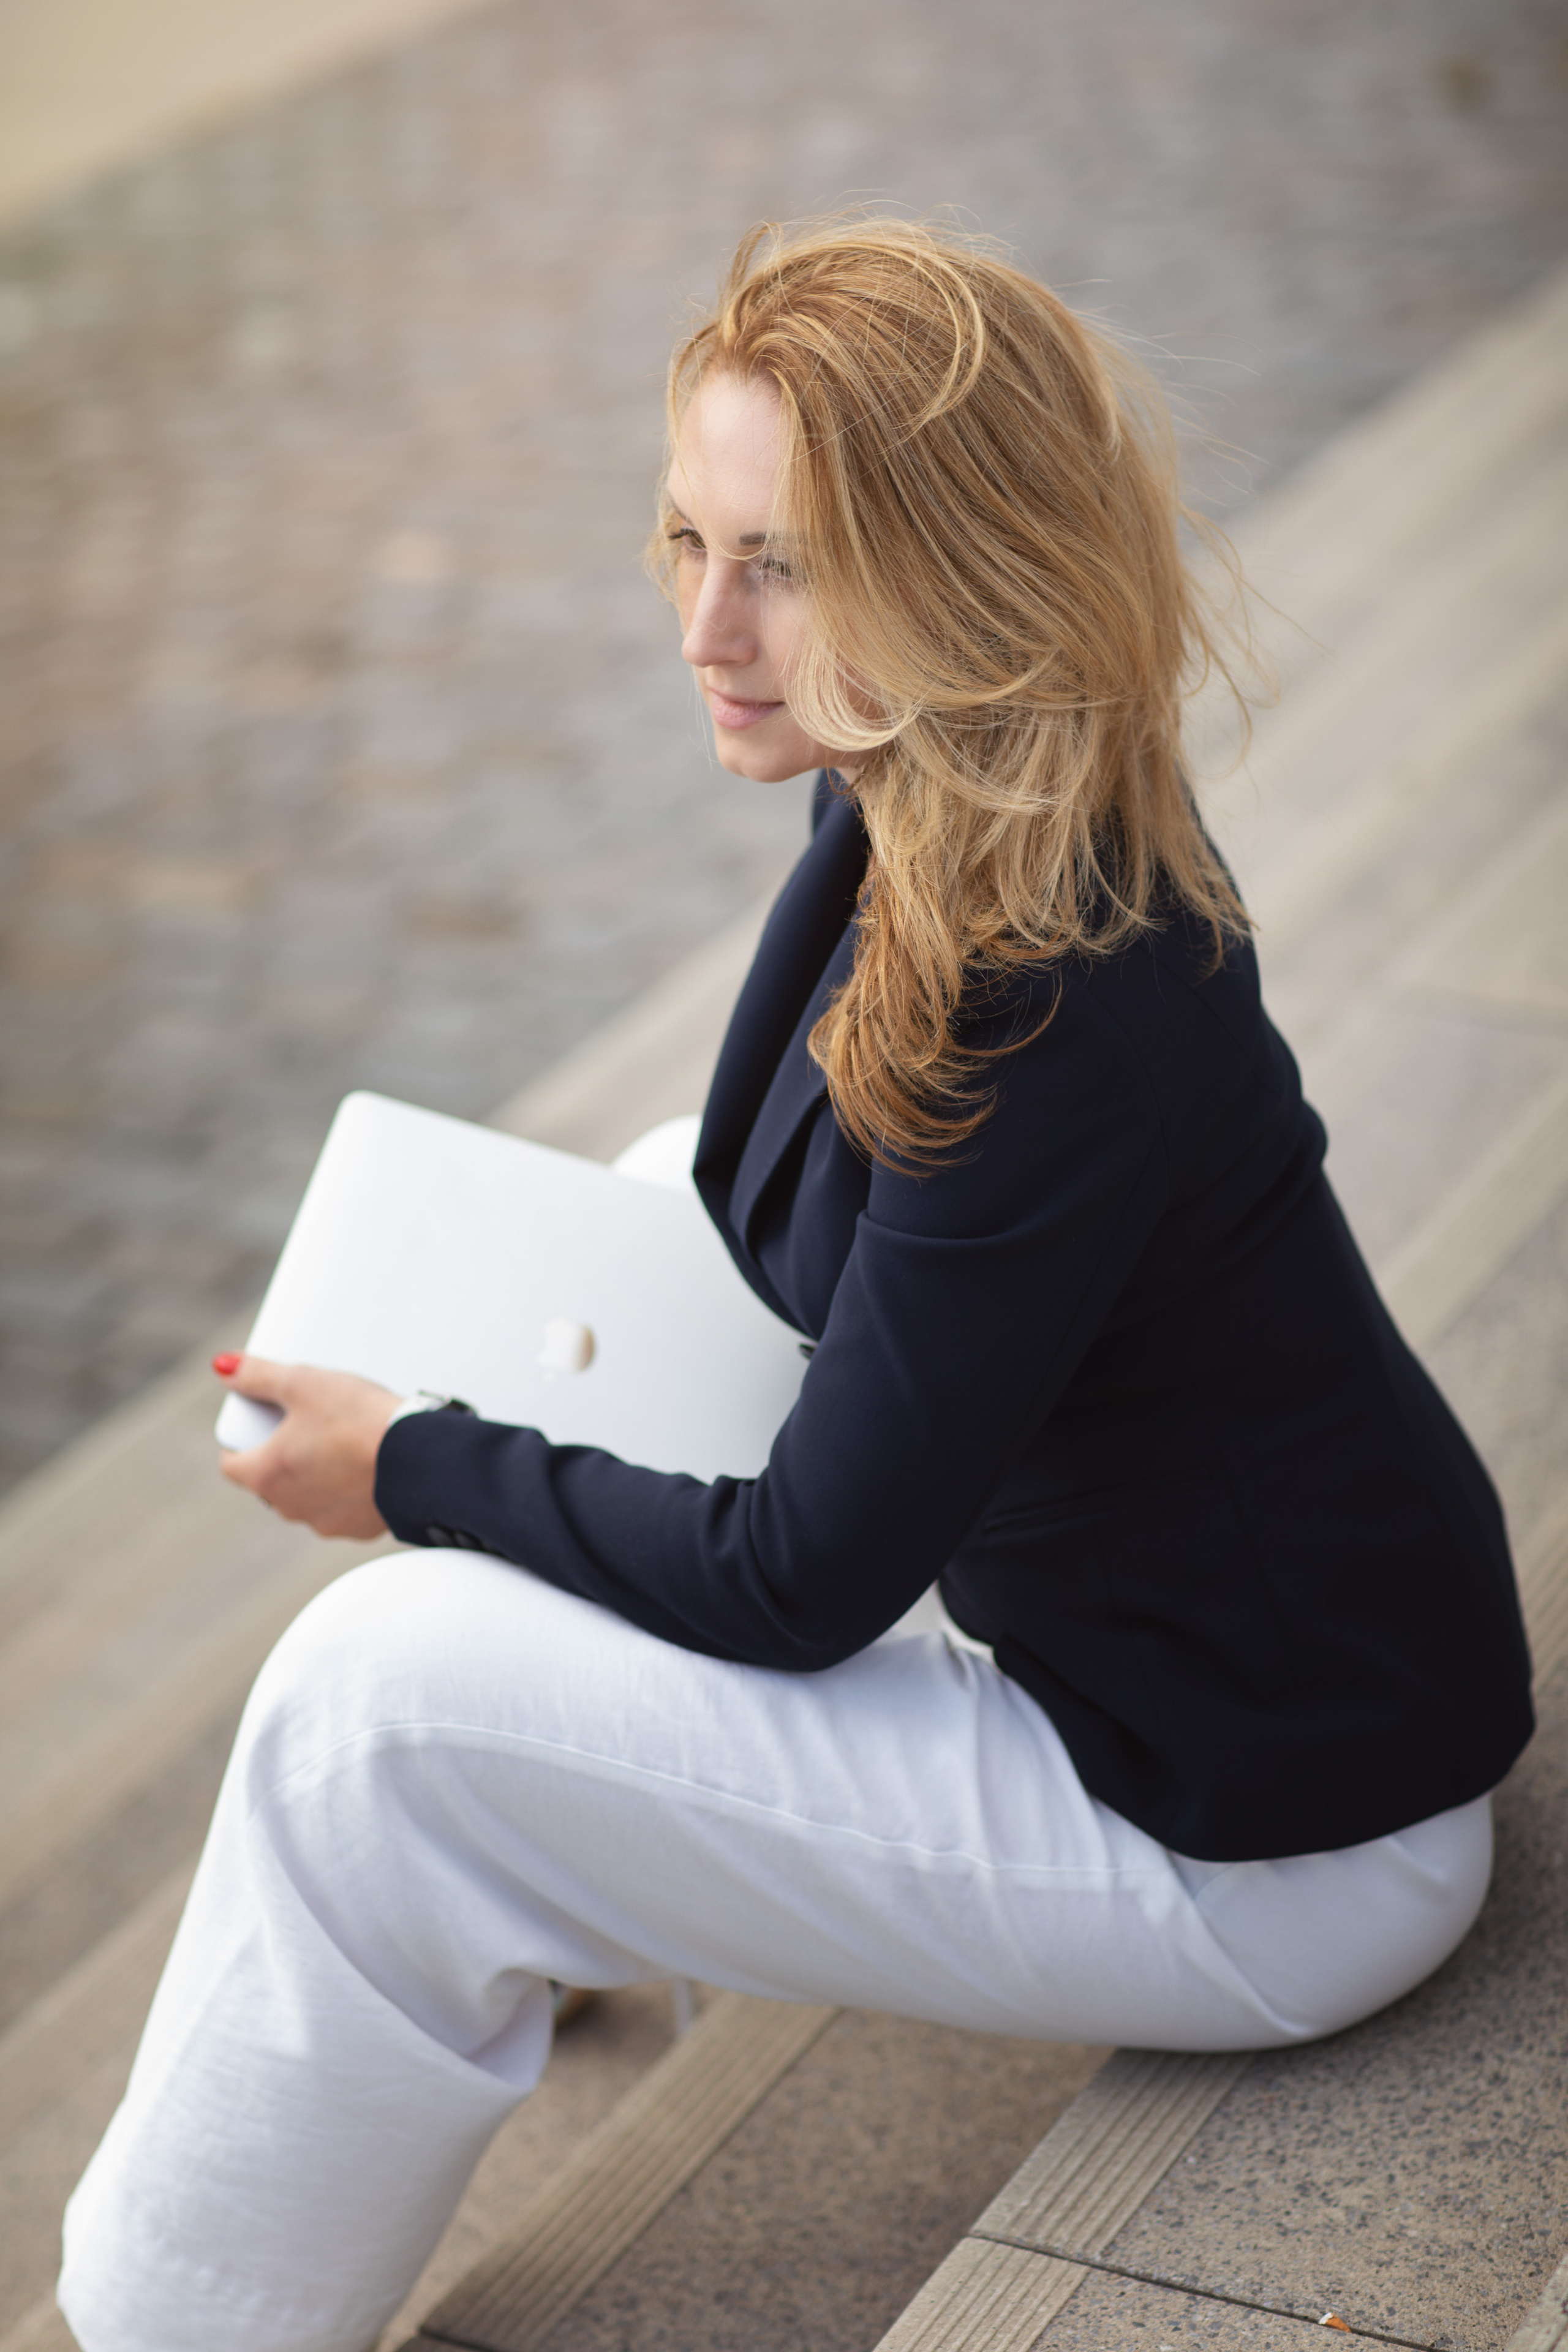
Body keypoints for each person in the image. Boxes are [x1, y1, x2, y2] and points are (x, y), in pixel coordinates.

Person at [59, 219, 1532, 2352]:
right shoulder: (950, 793)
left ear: (966, 572)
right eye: (686, 538)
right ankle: (528, 1901)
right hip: (1272, 1691)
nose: (702, 627)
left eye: (785, 564)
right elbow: (759, 1228)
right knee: (658, 1199)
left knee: (362, 1714)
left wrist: (424, 1467)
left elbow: (801, 1584)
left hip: (1265, 1839)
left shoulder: (1050, 984)